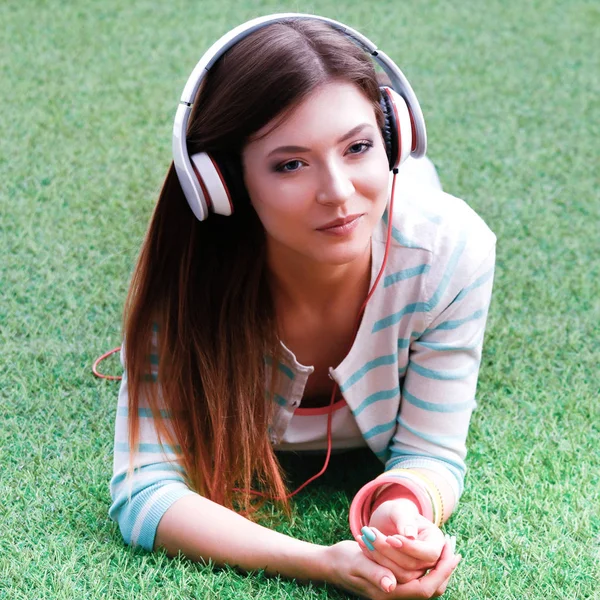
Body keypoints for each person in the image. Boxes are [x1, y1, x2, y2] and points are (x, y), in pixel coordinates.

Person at [108, 14, 496, 600]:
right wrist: (320, 562)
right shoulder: (189, 279)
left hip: (416, 218)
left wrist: (402, 507)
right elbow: (143, 493)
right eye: (291, 163)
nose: (338, 191)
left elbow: (429, 453)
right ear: (224, 183)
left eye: (359, 147)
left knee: (416, 200)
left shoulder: (451, 252)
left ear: (395, 136)